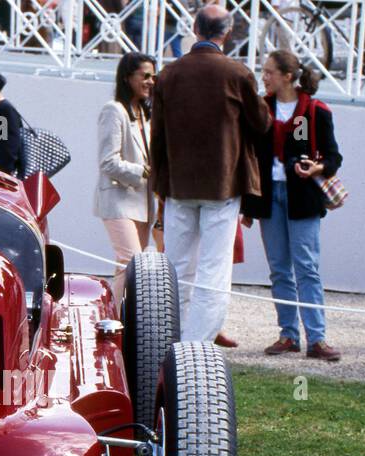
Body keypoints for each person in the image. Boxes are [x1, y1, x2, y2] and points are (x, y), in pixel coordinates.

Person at [151, 6, 270, 348]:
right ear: (227, 33)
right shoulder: (237, 73)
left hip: (178, 185)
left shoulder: (169, 74)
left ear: (194, 29)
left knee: (176, 266)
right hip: (223, 183)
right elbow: (261, 124)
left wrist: (159, 187)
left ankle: (169, 342)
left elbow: (156, 137)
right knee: (214, 270)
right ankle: (195, 346)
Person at [241, 50, 343, 362]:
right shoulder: (261, 108)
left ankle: (317, 338)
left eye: (269, 71)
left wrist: (318, 167)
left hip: (302, 197)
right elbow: (250, 153)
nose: (264, 77)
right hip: (269, 197)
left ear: (288, 76)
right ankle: (288, 334)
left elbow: (333, 157)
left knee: (307, 268)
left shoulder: (314, 110)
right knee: (279, 269)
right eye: (263, 71)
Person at [94, 52, 156, 302]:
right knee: (129, 261)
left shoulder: (144, 113)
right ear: (127, 77)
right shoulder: (113, 110)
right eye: (145, 76)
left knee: (132, 267)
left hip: (143, 202)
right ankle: (116, 321)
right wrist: (141, 171)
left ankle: (124, 321)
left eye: (153, 76)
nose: (151, 81)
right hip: (119, 199)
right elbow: (108, 161)